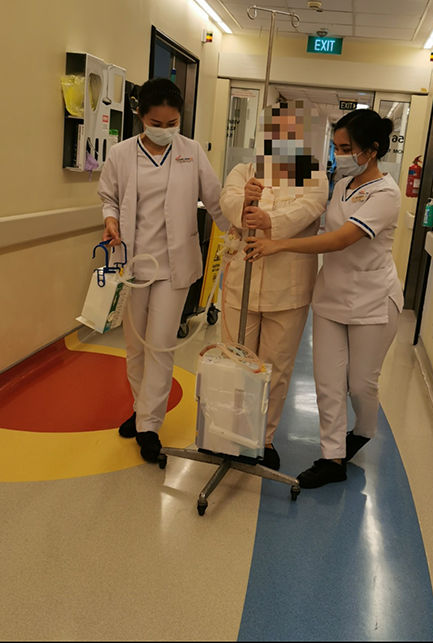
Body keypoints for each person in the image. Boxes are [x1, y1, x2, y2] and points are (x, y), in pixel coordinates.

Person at [244, 109, 402, 488]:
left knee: (361, 384)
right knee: (328, 383)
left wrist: (278, 244)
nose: (339, 154)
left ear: (372, 150)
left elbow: (341, 238)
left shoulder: (387, 194)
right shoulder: (343, 186)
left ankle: (362, 430)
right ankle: (332, 458)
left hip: (373, 301)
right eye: (336, 146)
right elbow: (321, 225)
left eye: (347, 148)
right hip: (330, 297)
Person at [98, 78, 228, 463]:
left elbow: (216, 199)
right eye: (159, 122)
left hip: (174, 267)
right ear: (140, 115)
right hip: (135, 263)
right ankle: (141, 411)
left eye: (174, 123)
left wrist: (238, 229)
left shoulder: (190, 151)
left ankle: (150, 426)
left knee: (159, 344)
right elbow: (108, 195)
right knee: (135, 346)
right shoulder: (121, 154)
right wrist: (109, 219)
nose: (167, 130)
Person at [219, 101, 329, 470]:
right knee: (236, 362)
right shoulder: (245, 170)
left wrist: (268, 219)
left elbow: (307, 210)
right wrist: (245, 205)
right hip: (241, 286)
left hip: (289, 291)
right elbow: (228, 199)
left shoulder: (313, 176)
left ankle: (263, 439)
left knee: (275, 368)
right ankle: (230, 433)